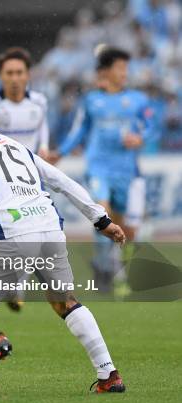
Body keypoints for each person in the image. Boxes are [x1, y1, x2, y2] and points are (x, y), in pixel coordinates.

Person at [0, 83, 126, 393]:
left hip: (10, 231)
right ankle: (109, 374)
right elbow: (59, 179)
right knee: (66, 303)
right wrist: (100, 219)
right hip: (50, 227)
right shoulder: (10, 143)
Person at [50, 47, 154, 292]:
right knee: (102, 211)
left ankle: (113, 267)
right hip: (98, 166)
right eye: (121, 68)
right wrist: (61, 152)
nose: (125, 73)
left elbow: (151, 126)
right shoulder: (92, 100)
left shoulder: (138, 100)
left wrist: (140, 137)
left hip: (125, 170)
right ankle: (103, 267)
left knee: (119, 225)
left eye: (126, 69)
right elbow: (80, 130)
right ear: (106, 71)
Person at [0, 47, 50, 311]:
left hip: (31, 177)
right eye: (9, 73)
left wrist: (44, 147)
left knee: (36, 236)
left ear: (28, 75)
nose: (14, 78)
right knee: (7, 236)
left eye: (19, 72)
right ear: (0, 76)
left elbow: (42, 128)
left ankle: (15, 285)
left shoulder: (39, 102)